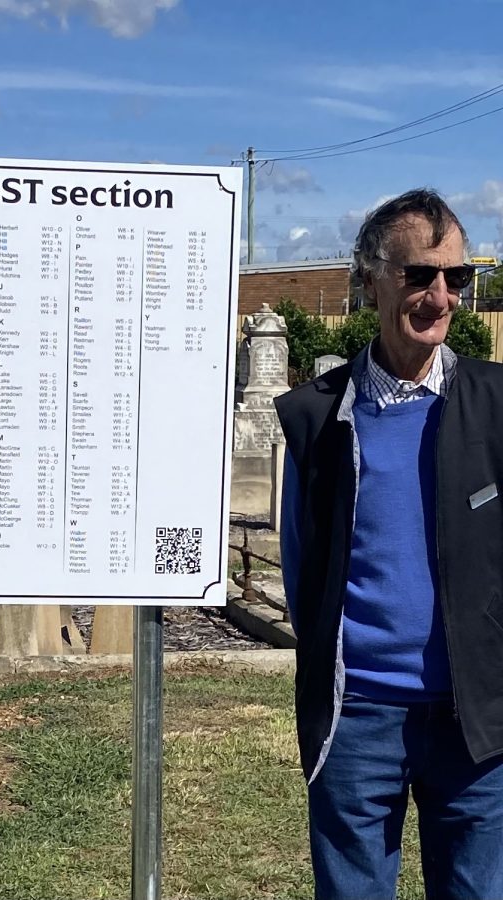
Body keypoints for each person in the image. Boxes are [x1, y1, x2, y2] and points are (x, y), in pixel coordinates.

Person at [276, 188, 503, 899]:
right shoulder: (316, 418)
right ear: (371, 279)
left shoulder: (497, 406)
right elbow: (300, 562)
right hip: (358, 718)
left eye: (456, 278)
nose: (441, 296)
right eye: (419, 276)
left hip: (479, 728)